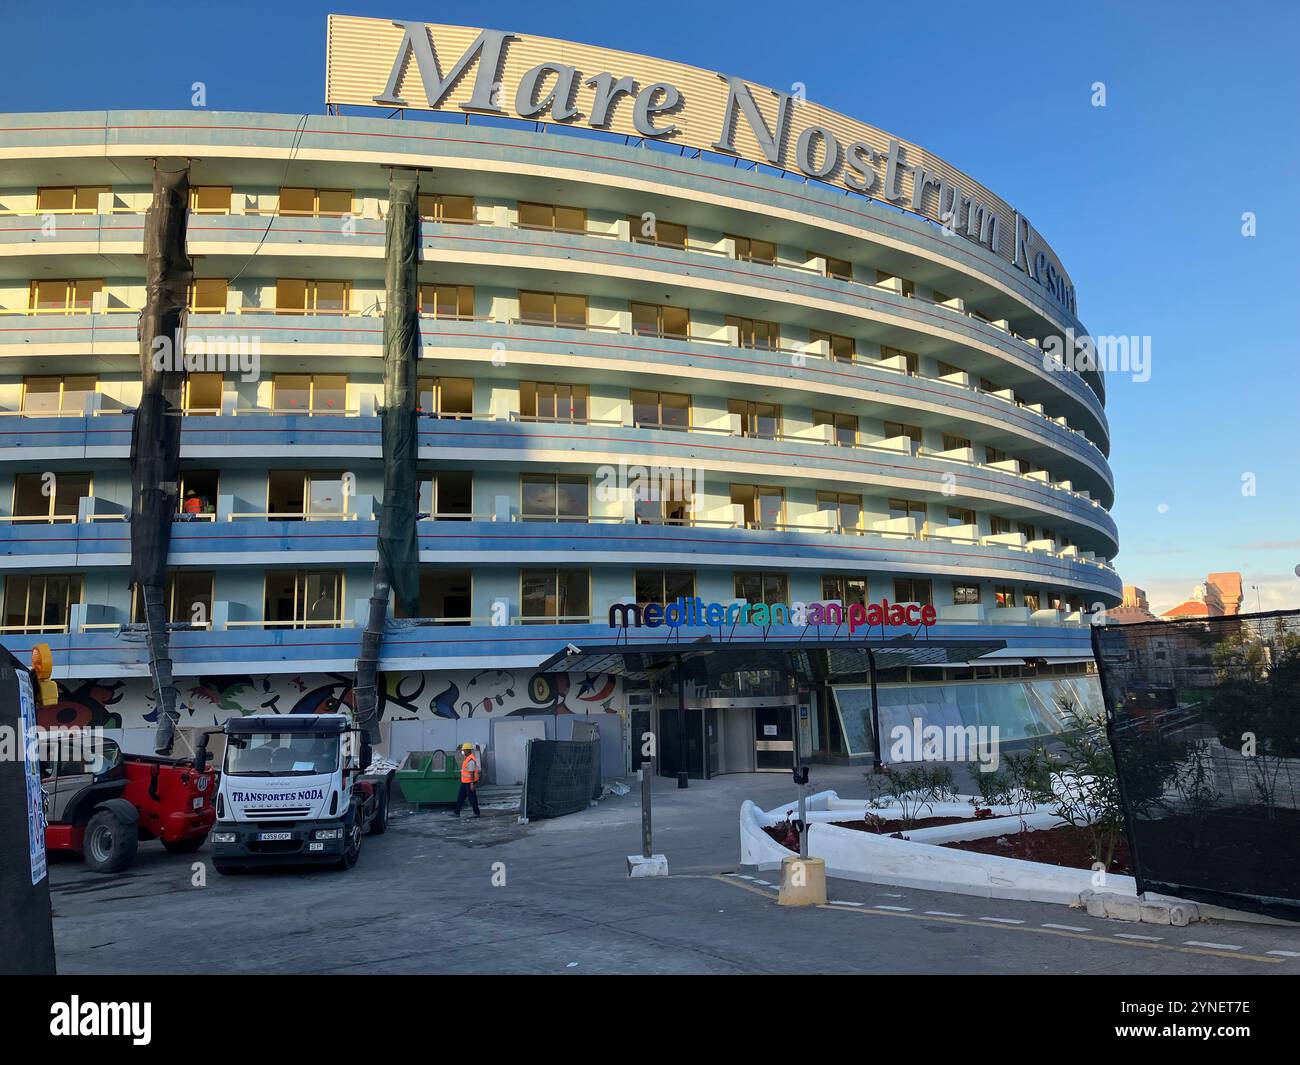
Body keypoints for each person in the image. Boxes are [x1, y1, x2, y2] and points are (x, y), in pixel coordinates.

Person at [452, 742, 480, 817]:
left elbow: (471, 773)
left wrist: (472, 784)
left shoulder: (470, 760)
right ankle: (456, 812)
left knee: (472, 798)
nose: (463, 751)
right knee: (460, 798)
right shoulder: (467, 758)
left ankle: (476, 813)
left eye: (464, 750)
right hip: (464, 782)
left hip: (469, 783)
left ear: (468, 750)